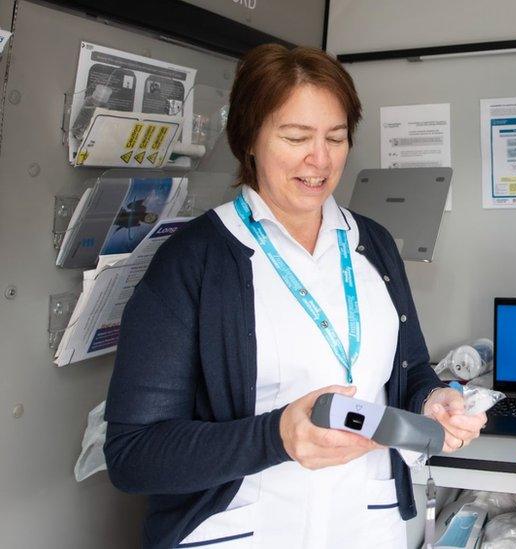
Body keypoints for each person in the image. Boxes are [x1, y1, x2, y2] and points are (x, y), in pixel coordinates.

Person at [103, 44, 486, 549]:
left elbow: (410, 369)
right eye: (296, 136)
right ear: (250, 140)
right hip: (243, 533)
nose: (320, 159)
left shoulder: (372, 244)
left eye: (336, 137)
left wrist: (433, 401)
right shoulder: (193, 261)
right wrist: (277, 436)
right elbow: (134, 455)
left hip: (367, 527)